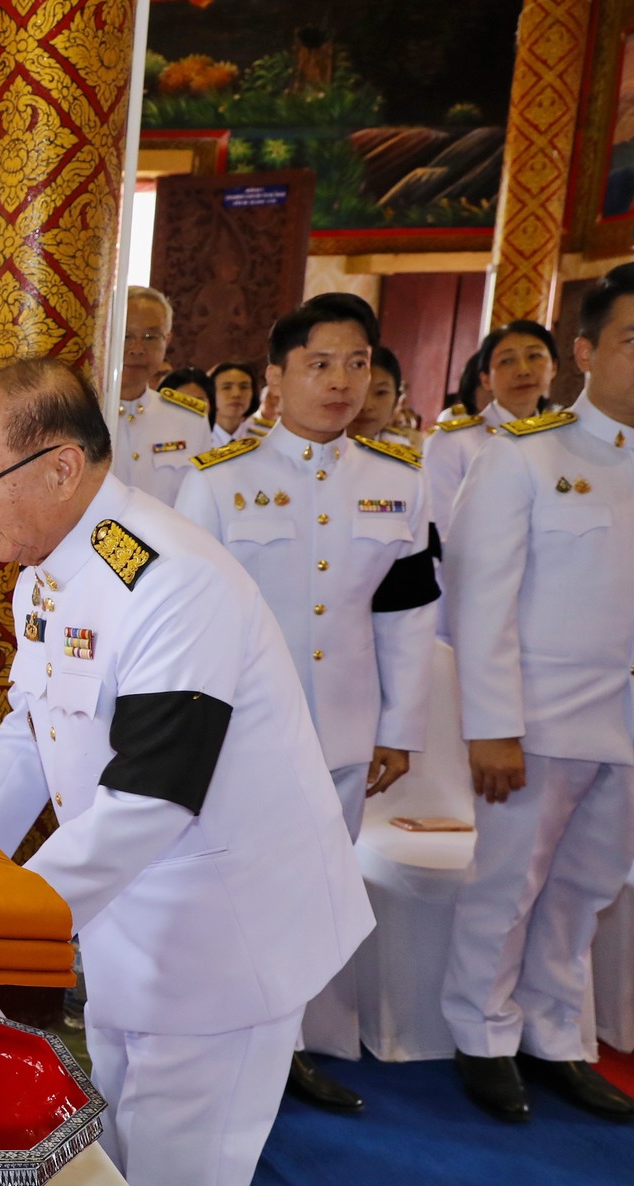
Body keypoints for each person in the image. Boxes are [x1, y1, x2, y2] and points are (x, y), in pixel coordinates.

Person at [0, 356, 372, 1186]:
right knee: (112, 1167)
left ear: (60, 468)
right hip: (131, 924)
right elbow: (30, 733)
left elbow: (151, 795)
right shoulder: (48, 573)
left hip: (225, 939)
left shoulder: (171, 579)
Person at [176, 293, 437, 1115]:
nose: (340, 381)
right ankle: (228, 1045)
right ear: (276, 376)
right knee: (236, 891)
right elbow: (187, 621)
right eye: (319, 363)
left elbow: (406, 616)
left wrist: (399, 727)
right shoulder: (219, 481)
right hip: (243, 736)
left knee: (316, 892)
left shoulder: (399, 483)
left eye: (357, 363)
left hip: (345, 733)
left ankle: (287, 1049)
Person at [440, 260, 634, 1125]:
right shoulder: (525, 458)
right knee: (508, 883)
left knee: (588, 887)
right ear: (584, 349)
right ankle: (481, 1032)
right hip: (537, 724)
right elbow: (479, 602)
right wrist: (492, 726)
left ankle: (554, 1035)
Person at [423, 320, 560, 550]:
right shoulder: (454, 442)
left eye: (535, 356)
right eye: (507, 361)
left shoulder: (566, 438)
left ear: (554, 367)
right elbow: (442, 532)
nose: (523, 370)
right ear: (486, 378)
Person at [111, 286, 214, 505]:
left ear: (167, 340)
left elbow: (202, 500)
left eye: (150, 337)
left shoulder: (190, 419)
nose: (137, 348)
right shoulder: (79, 413)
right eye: (126, 335)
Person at [345, 346, 414, 448]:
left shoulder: (398, 452)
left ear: (395, 402)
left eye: (381, 393)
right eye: (357, 391)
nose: (366, 406)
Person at [209, 361, 259, 447]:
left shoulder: (264, 439)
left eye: (244, 387)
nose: (236, 394)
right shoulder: (194, 441)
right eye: (226, 387)